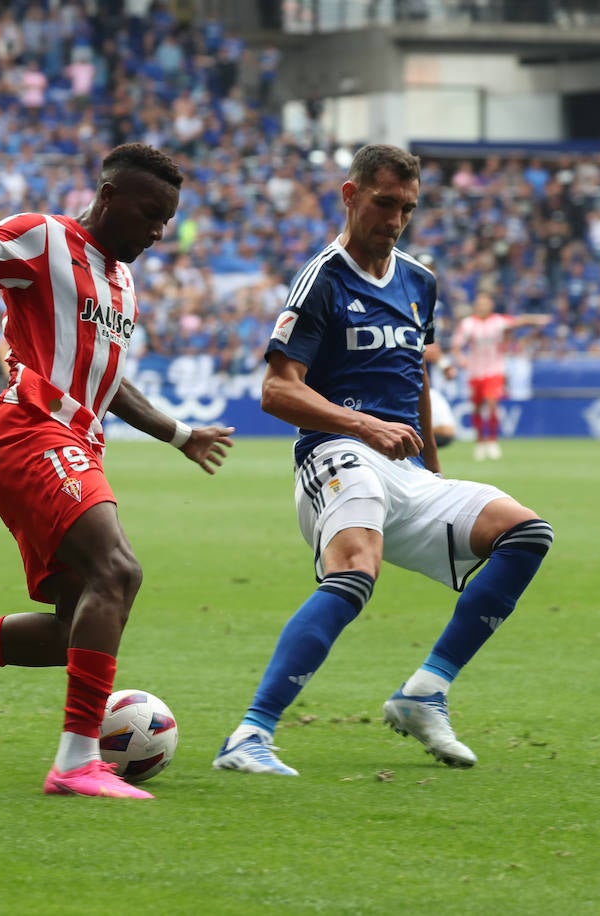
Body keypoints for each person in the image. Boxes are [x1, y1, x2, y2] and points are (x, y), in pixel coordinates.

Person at [0, 131, 235, 799]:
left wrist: (180, 435)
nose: (159, 232)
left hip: (76, 444)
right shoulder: (42, 238)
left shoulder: (122, 282)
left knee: (75, 627)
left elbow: (108, 379)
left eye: (168, 220)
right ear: (109, 195)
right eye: (151, 214)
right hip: (32, 430)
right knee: (118, 572)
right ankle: (76, 762)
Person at [211, 144, 554, 777]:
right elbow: (277, 391)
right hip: (336, 453)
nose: (395, 220)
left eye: (408, 209)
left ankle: (425, 692)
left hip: (406, 472)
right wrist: (365, 424)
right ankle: (250, 734)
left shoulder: (420, 281)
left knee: (526, 533)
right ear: (351, 195)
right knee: (354, 574)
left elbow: (415, 375)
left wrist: (433, 473)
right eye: (384, 203)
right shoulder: (323, 277)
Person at [450, 291, 550, 460]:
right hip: (475, 372)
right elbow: (456, 347)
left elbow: (519, 322)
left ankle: (492, 441)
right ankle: (480, 442)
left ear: (491, 305)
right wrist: (461, 360)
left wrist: (537, 320)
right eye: (479, 303)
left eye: (485, 303)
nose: (482, 306)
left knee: (491, 403)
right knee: (477, 408)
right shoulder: (467, 324)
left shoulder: (498, 321)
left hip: (494, 370)